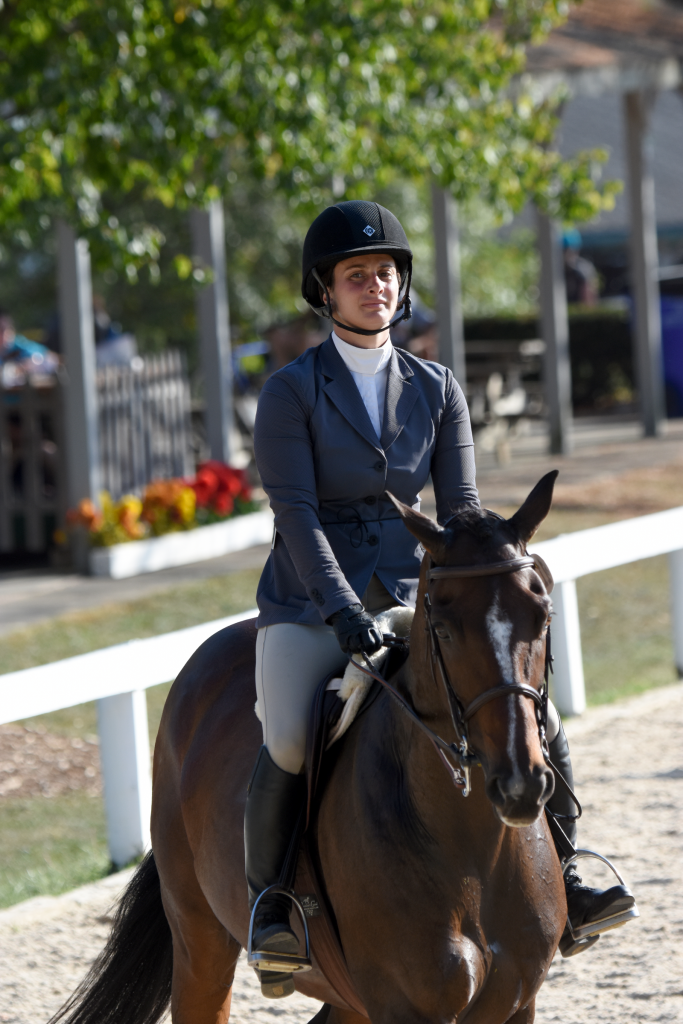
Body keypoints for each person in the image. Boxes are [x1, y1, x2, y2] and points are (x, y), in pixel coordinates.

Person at [245, 200, 634, 996]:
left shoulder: (436, 386)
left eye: (386, 273)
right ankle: (273, 906)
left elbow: (459, 512)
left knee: (532, 714)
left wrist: (489, 570)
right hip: (312, 601)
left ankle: (569, 873)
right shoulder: (291, 393)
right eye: (356, 276)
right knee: (287, 735)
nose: (375, 287)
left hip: (421, 596)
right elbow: (296, 516)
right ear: (324, 292)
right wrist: (341, 610)